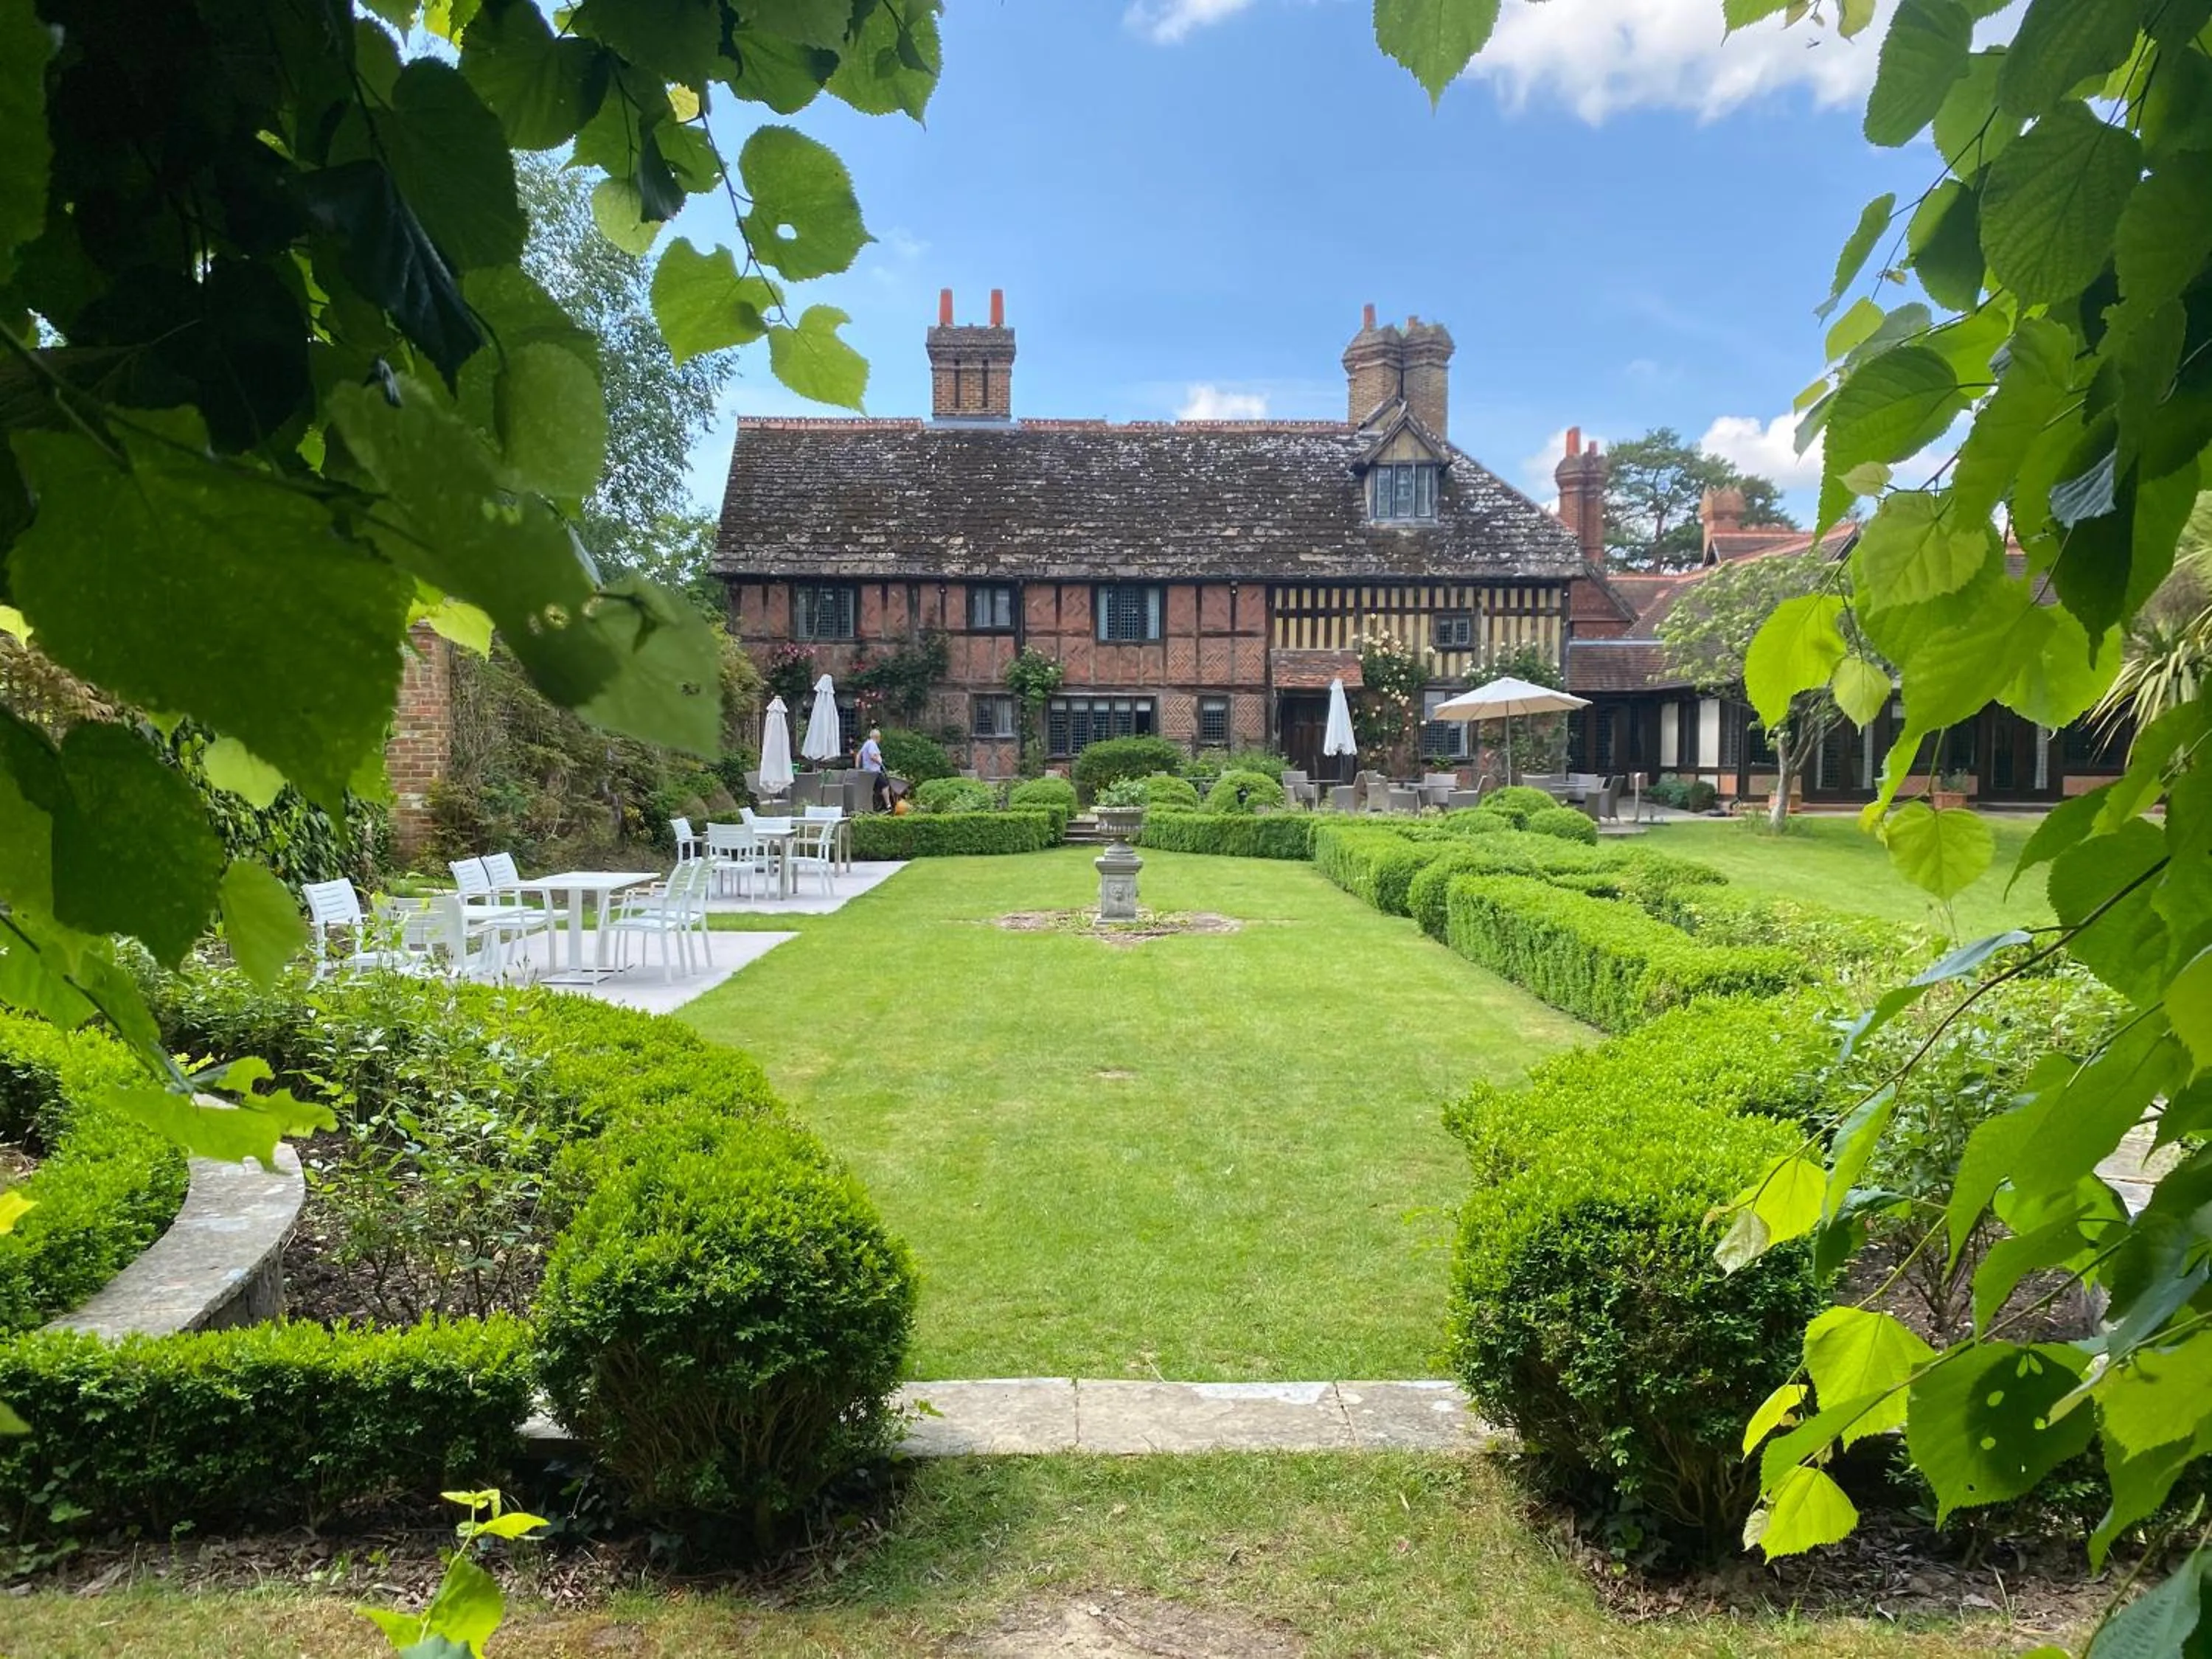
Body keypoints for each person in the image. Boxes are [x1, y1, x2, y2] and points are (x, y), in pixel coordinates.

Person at [858, 726, 888, 811]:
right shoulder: (872, 744)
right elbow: (872, 756)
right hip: (874, 771)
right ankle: (888, 805)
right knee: (885, 785)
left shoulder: (867, 743)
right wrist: (880, 763)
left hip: (868, 771)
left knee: (873, 789)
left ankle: (873, 806)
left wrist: (857, 767)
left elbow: (859, 755)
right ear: (877, 737)